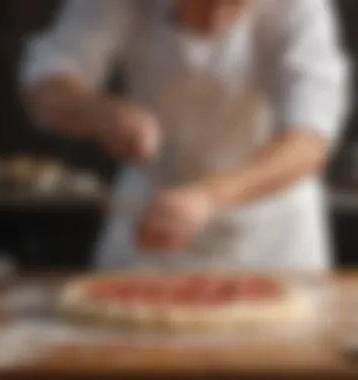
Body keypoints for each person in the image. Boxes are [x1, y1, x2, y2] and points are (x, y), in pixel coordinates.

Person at [20, 0, 349, 272]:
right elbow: (45, 86)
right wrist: (102, 113)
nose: (212, 15)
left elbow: (308, 143)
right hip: (148, 227)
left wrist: (205, 198)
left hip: (271, 241)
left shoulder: (301, 9)